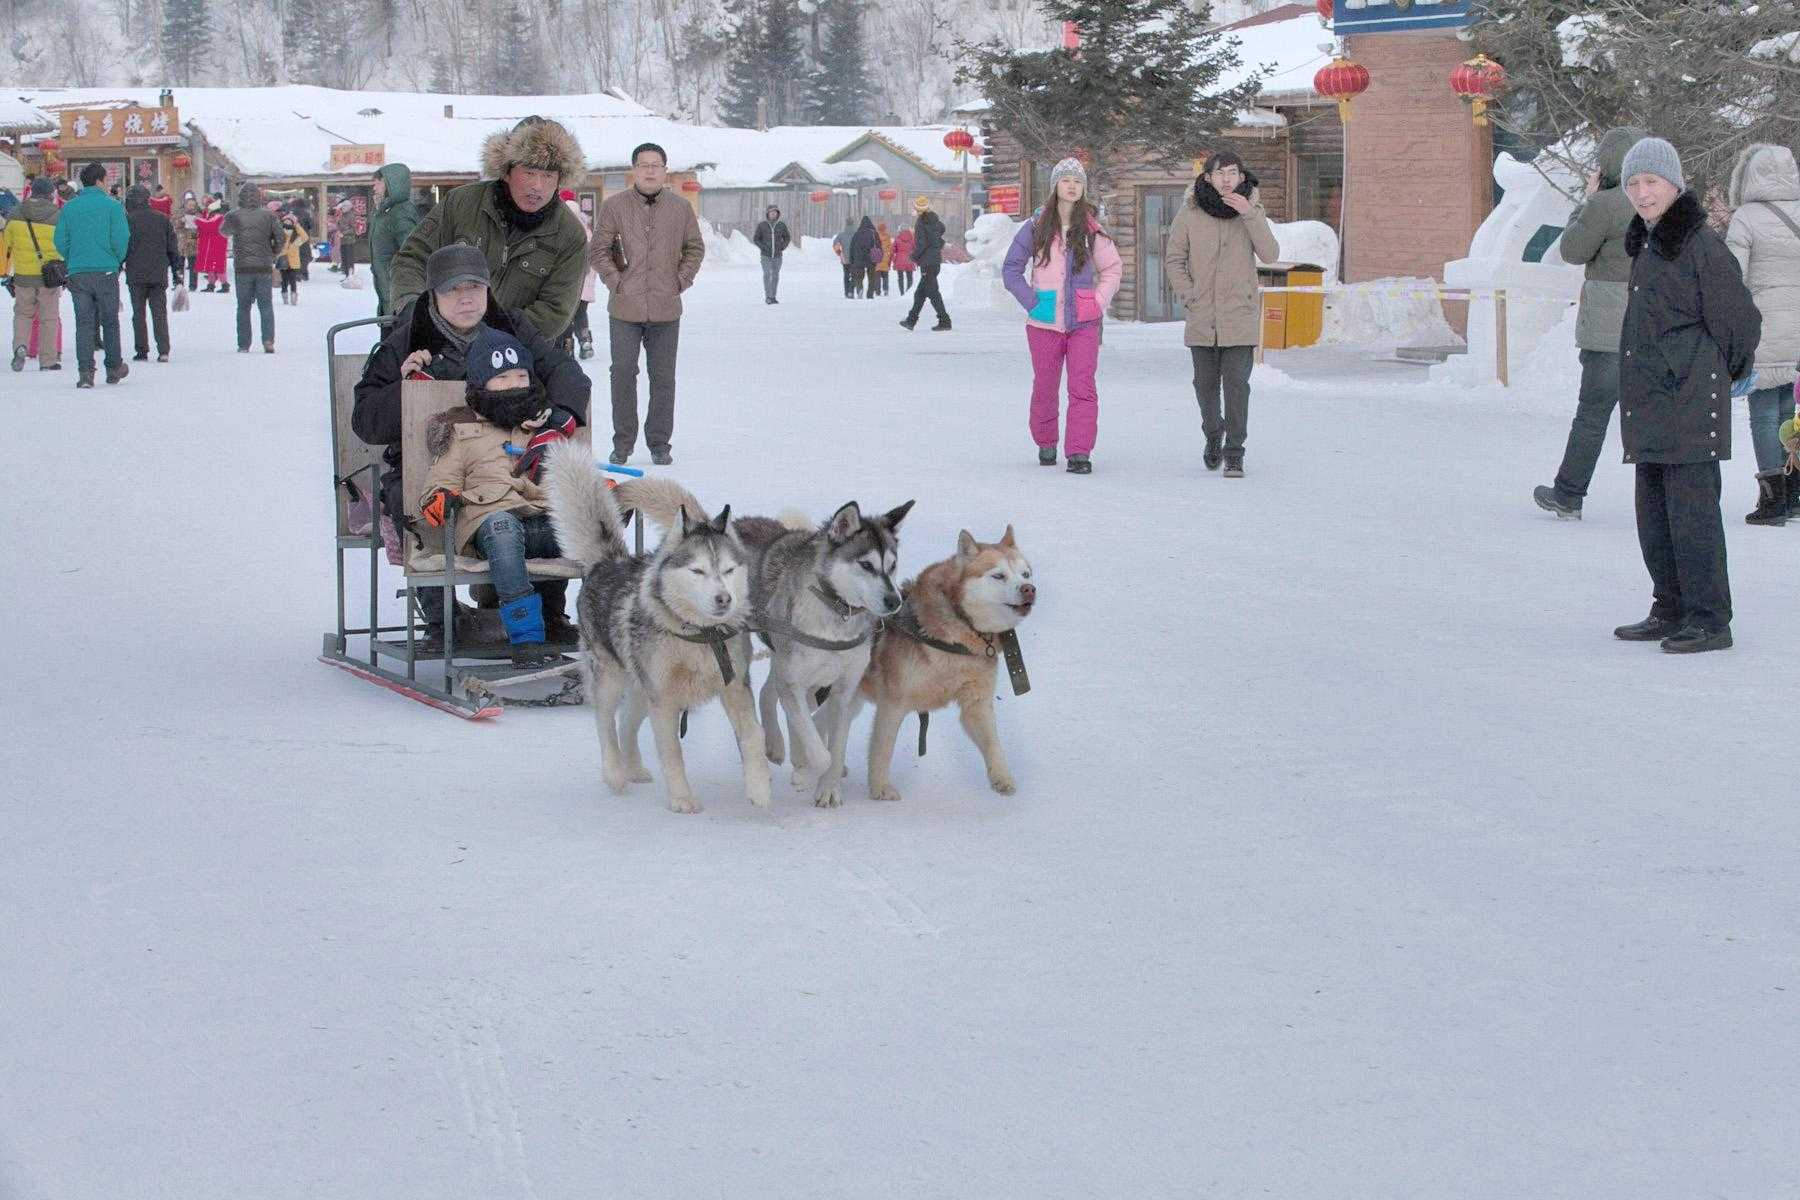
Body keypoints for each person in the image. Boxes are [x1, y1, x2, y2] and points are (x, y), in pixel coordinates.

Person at [353, 244, 591, 651]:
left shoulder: (510, 326)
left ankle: (550, 611)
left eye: (475, 288)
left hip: (508, 460)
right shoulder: (407, 335)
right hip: (431, 467)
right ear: (433, 294)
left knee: (548, 490)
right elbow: (366, 419)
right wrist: (407, 389)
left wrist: (559, 418)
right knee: (407, 496)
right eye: (453, 290)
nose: (466, 299)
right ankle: (441, 617)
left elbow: (565, 370)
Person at [1612, 137, 1760, 655]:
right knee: (1654, 515)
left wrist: (1724, 373)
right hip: (1650, 401)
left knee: (1692, 516)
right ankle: (1670, 606)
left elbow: (1740, 319)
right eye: (1633, 183)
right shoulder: (1650, 243)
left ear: (1675, 184)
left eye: (1651, 182)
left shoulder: (1699, 244)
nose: (1641, 193)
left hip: (1689, 399)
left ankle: (1709, 618)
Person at [419, 326, 576, 669]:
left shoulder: (541, 429)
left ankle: (590, 624)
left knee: (580, 528)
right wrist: (439, 496)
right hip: (488, 524)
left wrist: (591, 494)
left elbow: (565, 477)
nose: (515, 383)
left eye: (521, 374)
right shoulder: (462, 432)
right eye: (503, 377)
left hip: (537, 518)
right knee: (503, 528)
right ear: (482, 384)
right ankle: (527, 637)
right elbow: (442, 477)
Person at [389, 116, 589, 343]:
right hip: (440, 341)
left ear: (560, 179)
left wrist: (488, 337)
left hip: (517, 358)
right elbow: (412, 258)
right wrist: (412, 308)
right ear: (506, 171)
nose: (537, 186)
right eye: (529, 172)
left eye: (548, 175)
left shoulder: (569, 233)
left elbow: (555, 310)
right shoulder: (461, 203)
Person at [1532, 126, 1646, 519]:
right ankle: (1664, 499)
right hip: (1654, 325)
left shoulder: (1606, 205)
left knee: (1593, 414)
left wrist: (1587, 201)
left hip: (1608, 329)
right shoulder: (1662, 202)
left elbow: (1572, 250)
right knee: (1655, 415)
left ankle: (1568, 494)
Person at [1001, 157, 1124, 475]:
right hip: (1044, 322)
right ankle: (1046, 441)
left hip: (1083, 321)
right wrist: (1032, 302)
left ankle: (1079, 452)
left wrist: (1097, 301)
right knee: (1045, 385)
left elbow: (1112, 268)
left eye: (1078, 181)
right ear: (1055, 185)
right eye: (1066, 180)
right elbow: (1011, 269)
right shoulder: (1036, 226)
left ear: (1083, 189)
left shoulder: (1092, 229)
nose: (1072, 186)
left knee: (1083, 386)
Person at [1163, 150, 1278, 477]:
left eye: (1232, 172)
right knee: (1205, 386)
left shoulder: (1252, 210)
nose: (1226, 178)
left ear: (1242, 177)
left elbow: (1270, 254)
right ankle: (1213, 435)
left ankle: (1235, 451)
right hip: (1202, 315)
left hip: (1239, 314)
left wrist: (1250, 215)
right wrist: (1189, 294)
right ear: (1208, 178)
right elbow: (1174, 259)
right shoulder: (1190, 212)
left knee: (1237, 386)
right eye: (1219, 173)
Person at [590, 142, 705, 467]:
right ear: (634, 170)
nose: (650, 170)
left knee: (663, 378)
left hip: (666, 309)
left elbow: (694, 248)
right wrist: (617, 281)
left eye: (656, 165)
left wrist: (681, 280)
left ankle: (659, 443)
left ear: (665, 170)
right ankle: (622, 443)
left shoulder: (680, 208)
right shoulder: (615, 206)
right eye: (644, 165)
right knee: (622, 372)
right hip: (625, 309)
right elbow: (598, 250)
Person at [1723, 143, 1800, 525]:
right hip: (1797, 326)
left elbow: (1731, 278)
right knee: (1789, 407)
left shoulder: (1747, 218)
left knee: (1763, 413)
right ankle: (1795, 492)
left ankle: (1773, 501)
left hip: (1764, 325)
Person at [53, 163, 131, 388]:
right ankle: (114, 367)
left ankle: (86, 372)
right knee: (110, 321)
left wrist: (73, 257)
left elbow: (60, 241)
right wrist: (115, 260)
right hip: (106, 270)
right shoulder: (112, 206)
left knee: (84, 323)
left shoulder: (69, 208)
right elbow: (121, 239)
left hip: (78, 272)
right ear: (99, 181)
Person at [5, 177, 63, 373]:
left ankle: (20, 346)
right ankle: (47, 360)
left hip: (23, 274)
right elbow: (63, 244)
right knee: (49, 318)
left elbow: (8, 241)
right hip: (49, 276)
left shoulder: (16, 213)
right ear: (50, 194)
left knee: (22, 314)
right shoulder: (57, 215)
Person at [221, 182, 283, 353]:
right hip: (263, 266)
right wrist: (273, 253)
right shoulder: (269, 216)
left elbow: (224, 231)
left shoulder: (234, 215)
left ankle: (243, 344)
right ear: (258, 197)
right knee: (266, 306)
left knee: (243, 307)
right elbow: (280, 236)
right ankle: (268, 340)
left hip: (242, 267)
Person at [122, 184, 181, 363]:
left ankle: (141, 350)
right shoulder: (162, 219)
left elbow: (121, 248)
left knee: (138, 313)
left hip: (135, 274)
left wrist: (117, 267)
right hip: (158, 273)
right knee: (159, 313)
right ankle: (163, 349)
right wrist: (176, 274)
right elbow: (172, 249)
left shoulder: (127, 220)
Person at [368, 163, 420, 317]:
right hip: (387, 294)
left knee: (399, 338)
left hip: (400, 298)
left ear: (392, 184)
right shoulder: (384, 213)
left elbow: (412, 255)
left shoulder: (401, 213)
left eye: (378, 183)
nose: (374, 188)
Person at [900, 197, 951, 332]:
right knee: (920, 293)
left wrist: (913, 256)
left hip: (927, 263)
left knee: (933, 293)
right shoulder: (936, 222)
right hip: (934, 262)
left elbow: (921, 244)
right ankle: (911, 320)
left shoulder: (921, 223)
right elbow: (939, 235)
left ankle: (945, 321)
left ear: (917, 210)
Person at [558, 189, 596, 357]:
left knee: (566, 315)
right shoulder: (586, 226)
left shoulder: (562, 224)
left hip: (568, 281)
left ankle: (567, 348)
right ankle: (586, 342)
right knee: (581, 313)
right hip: (586, 280)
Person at [752, 204, 790, 304]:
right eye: (771, 212)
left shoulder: (781, 225)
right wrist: (763, 247)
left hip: (777, 256)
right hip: (765, 256)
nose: (773, 214)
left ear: (777, 214)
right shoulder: (762, 225)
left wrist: (782, 246)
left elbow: (787, 237)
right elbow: (756, 239)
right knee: (767, 274)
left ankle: (773, 296)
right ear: (767, 214)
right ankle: (768, 296)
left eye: (775, 212)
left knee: (775, 275)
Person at [277, 212, 311, 305]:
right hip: (283, 262)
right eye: (285, 223)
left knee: (293, 281)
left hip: (294, 263)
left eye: (289, 223)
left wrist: (297, 226)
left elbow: (305, 237)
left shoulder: (296, 239)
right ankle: (285, 297)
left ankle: (293, 297)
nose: (287, 225)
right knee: (284, 280)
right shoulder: (281, 236)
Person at [194, 198, 227, 292]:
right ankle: (211, 284)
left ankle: (224, 285)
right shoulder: (214, 217)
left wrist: (197, 220)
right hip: (212, 246)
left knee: (218, 267)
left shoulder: (218, 218)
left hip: (216, 246)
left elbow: (209, 225)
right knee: (211, 267)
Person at [847, 215, 879, 300]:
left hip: (859, 258)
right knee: (872, 277)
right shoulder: (874, 233)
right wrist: (879, 257)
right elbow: (878, 246)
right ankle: (870, 294)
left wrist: (851, 260)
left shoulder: (857, 234)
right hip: (871, 258)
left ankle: (860, 289)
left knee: (859, 277)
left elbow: (852, 248)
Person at [176, 195, 201, 290]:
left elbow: (201, 228)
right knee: (179, 265)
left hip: (193, 242)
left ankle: (193, 285)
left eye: (193, 205)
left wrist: (197, 223)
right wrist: (181, 221)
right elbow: (174, 225)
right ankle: (179, 283)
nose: (191, 207)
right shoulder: (180, 213)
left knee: (193, 265)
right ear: (185, 205)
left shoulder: (198, 215)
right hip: (182, 242)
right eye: (189, 205)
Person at [332, 198, 359, 278]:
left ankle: (349, 275)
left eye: (343, 207)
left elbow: (353, 229)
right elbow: (340, 225)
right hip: (343, 240)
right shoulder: (342, 214)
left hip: (349, 240)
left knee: (349, 259)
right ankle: (346, 274)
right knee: (344, 258)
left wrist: (343, 233)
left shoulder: (351, 215)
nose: (341, 209)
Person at [832, 215, 858, 297]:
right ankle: (851, 291)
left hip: (845, 259)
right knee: (854, 276)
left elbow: (835, 244)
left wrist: (839, 252)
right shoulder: (857, 234)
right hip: (855, 259)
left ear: (846, 224)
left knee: (846, 276)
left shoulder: (841, 235)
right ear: (853, 224)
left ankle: (847, 292)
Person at [892, 223, 916, 293]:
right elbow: (915, 249)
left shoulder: (897, 238)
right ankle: (908, 291)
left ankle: (902, 292)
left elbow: (893, 250)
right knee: (909, 277)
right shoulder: (912, 239)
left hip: (899, 260)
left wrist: (894, 260)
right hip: (909, 260)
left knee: (900, 278)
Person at [875, 220, 894, 296]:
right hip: (885, 258)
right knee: (885, 276)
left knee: (877, 277)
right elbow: (890, 247)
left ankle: (877, 291)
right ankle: (886, 290)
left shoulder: (875, 236)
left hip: (877, 258)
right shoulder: (888, 236)